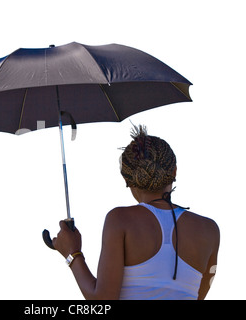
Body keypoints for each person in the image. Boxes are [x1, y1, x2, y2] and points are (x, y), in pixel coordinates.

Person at [52, 125, 220, 300]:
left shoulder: (120, 220)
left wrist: (72, 253)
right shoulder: (210, 230)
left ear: (126, 178)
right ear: (174, 171)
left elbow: (102, 300)